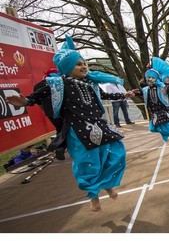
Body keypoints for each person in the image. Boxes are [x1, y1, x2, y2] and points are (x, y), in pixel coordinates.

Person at [6, 34, 129, 212]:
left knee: (116, 154)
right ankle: (93, 196)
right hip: (78, 131)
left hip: (100, 126)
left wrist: (123, 95)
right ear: (67, 67)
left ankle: (107, 185)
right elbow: (37, 96)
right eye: (78, 64)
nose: (83, 66)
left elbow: (104, 96)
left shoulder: (89, 83)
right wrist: (25, 101)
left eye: (83, 63)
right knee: (88, 164)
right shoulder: (58, 83)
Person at [141, 57, 169, 142]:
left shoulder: (161, 86)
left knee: (166, 123)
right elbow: (141, 91)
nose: (150, 80)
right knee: (154, 127)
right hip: (154, 110)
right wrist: (132, 93)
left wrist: (167, 88)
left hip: (162, 108)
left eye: (152, 78)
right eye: (149, 79)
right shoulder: (146, 89)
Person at [33, 68, 66, 160]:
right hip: (64, 109)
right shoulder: (61, 82)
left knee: (60, 129)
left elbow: (38, 102)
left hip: (50, 111)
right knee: (70, 128)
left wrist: (47, 111)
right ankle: (63, 147)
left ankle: (59, 147)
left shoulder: (38, 86)